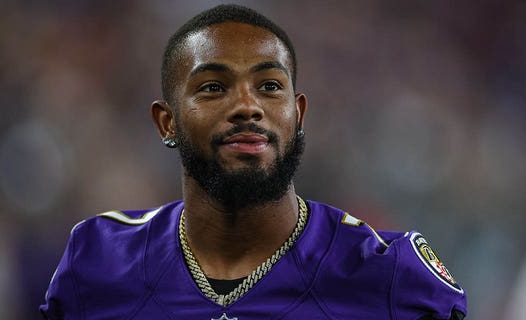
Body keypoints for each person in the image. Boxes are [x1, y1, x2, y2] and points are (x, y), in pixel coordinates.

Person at [40, 4, 467, 319]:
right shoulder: (98, 261)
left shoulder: (388, 275)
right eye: (212, 87)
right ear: (166, 122)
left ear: (298, 114)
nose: (247, 106)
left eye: (268, 85)